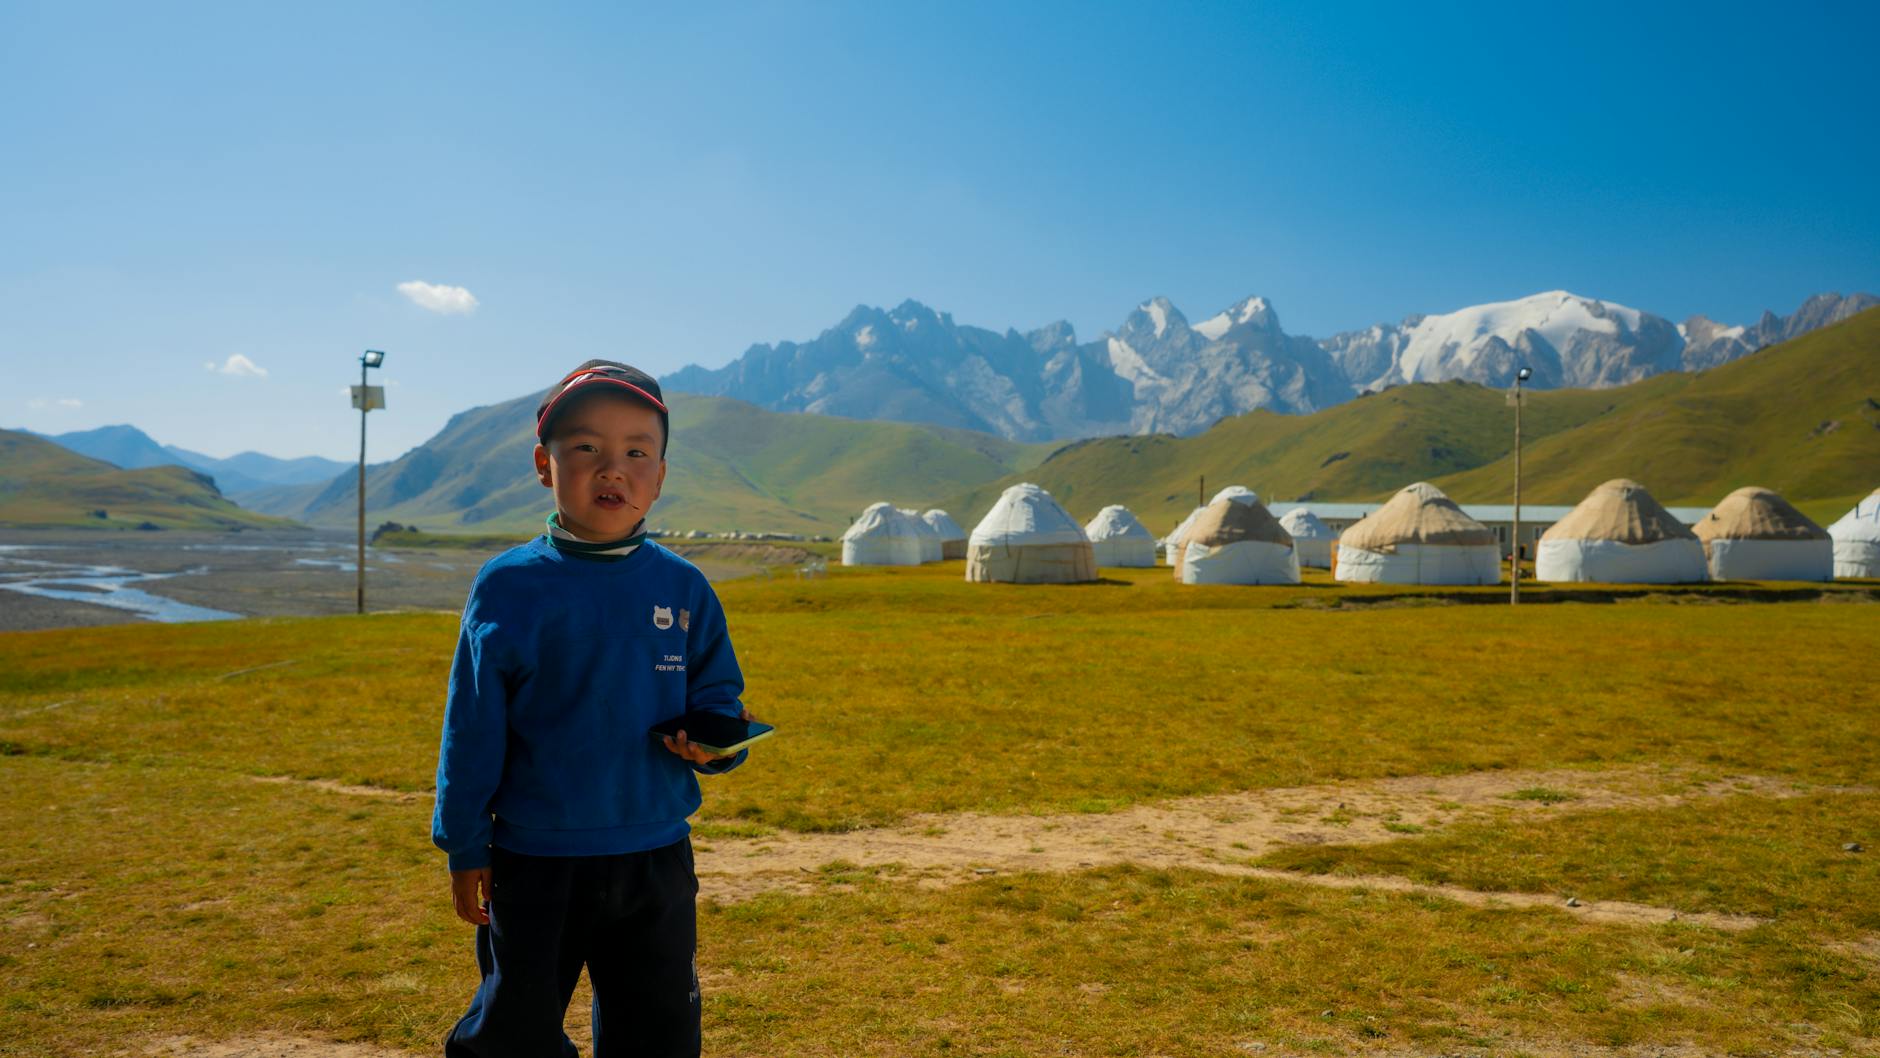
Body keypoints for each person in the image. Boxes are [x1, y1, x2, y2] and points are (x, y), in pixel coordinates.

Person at [432, 360, 754, 1057]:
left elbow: (718, 696)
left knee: (658, 1034)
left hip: (655, 856)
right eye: (586, 449)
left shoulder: (684, 586)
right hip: (534, 858)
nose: (614, 469)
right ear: (544, 466)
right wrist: (464, 843)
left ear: (661, 476)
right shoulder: (508, 586)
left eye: (637, 452)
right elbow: (472, 726)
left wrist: (717, 741)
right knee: (513, 1033)